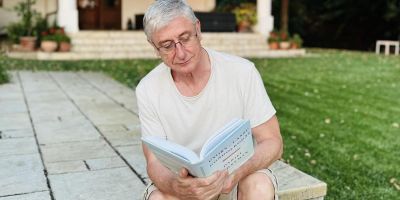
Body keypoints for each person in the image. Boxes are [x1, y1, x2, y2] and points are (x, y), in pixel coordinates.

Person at [136, 0, 283, 199]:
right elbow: (153, 162)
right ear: (154, 47)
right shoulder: (148, 89)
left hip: (236, 176)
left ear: (198, 29)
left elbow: (272, 142)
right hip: (184, 183)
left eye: (185, 38)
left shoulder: (242, 72)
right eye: (167, 45)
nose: (180, 53)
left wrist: (236, 174)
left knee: (258, 186)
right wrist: (178, 187)